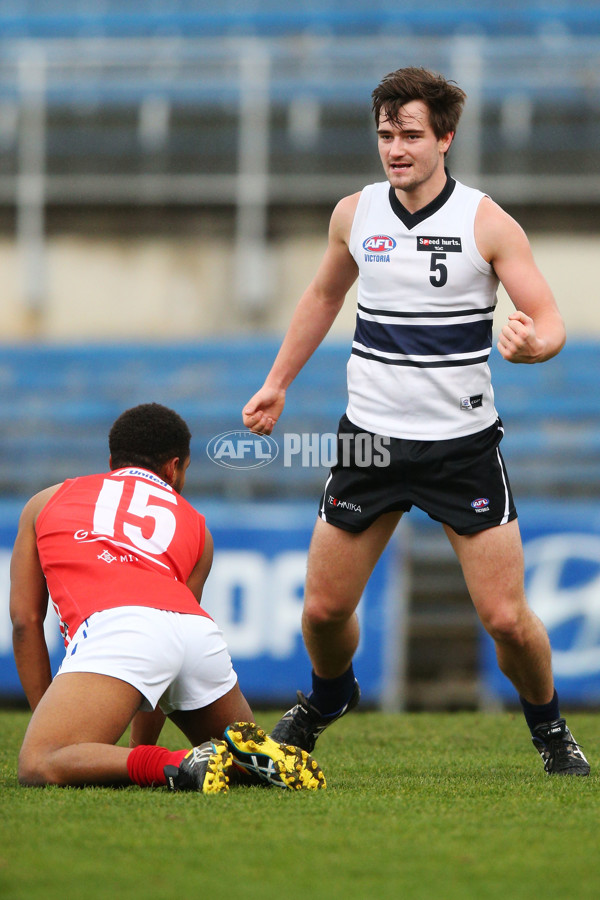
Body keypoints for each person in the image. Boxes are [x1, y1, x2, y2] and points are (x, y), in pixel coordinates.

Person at [243, 66, 589, 776]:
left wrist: (534, 344)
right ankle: (330, 696)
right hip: (369, 440)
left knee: (504, 618)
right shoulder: (354, 214)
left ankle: (551, 730)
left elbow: (550, 319)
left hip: (461, 446)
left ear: (445, 138)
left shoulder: (485, 222)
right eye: (384, 134)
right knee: (321, 612)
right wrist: (277, 384)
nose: (395, 148)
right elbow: (320, 298)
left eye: (410, 134)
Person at [10, 402, 325, 793]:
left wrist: (55, 724)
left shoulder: (45, 502)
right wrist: (138, 750)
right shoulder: (197, 528)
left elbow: (25, 621)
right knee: (237, 753)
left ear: (112, 460)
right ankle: (249, 758)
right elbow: (166, 653)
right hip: (195, 634)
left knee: (42, 760)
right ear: (174, 467)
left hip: (119, 624)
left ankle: (179, 762)